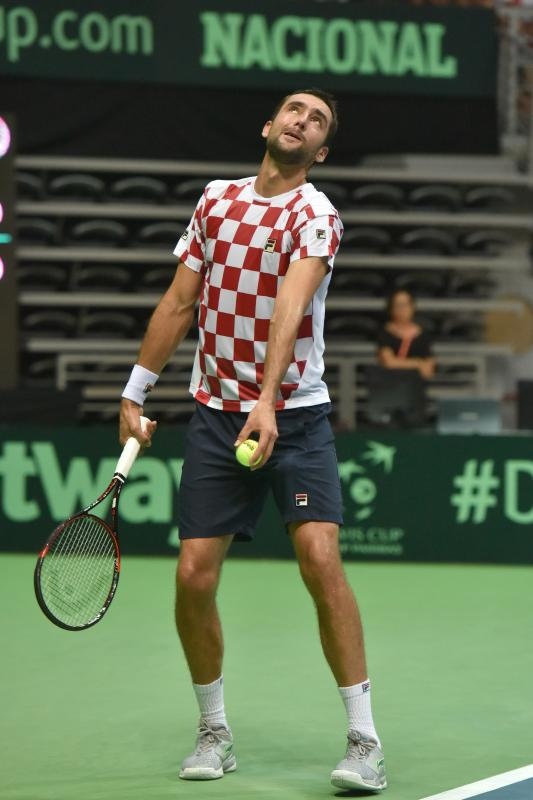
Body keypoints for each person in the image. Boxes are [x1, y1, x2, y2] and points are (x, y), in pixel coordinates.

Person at [119, 88, 387, 793]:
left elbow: (291, 307)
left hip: (293, 415)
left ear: (320, 151)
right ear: (269, 126)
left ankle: (364, 740)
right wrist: (135, 392)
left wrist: (266, 402)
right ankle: (214, 730)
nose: (302, 121)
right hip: (214, 415)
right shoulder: (215, 201)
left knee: (319, 560)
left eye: (317, 121)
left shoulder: (315, 213)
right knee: (191, 575)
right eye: (294, 111)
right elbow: (181, 301)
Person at [377, 289, 436, 380]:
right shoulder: (384, 332)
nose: (402, 309)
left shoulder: (423, 334)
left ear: (412, 307)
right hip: (390, 382)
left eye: (405, 305)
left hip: (415, 384)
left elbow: (428, 368)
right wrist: (417, 363)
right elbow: (389, 362)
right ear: (391, 308)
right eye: (398, 305)